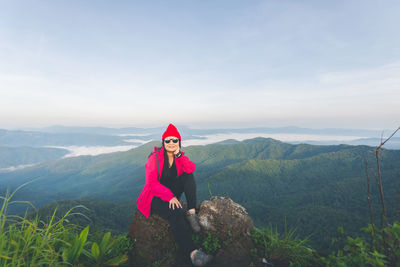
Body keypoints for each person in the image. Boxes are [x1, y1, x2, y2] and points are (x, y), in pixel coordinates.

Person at [136, 123, 213, 266]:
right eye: (168, 140)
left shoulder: (179, 156)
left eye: (174, 140)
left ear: (179, 142)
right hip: (154, 196)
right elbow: (152, 183)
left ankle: (191, 212)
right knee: (176, 211)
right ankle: (193, 254)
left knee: (188, 175)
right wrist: (169, 196)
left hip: (170, 193)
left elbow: (190, 168)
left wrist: (179, 154)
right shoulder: (154, 158)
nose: (171, 143)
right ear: (163, 142)